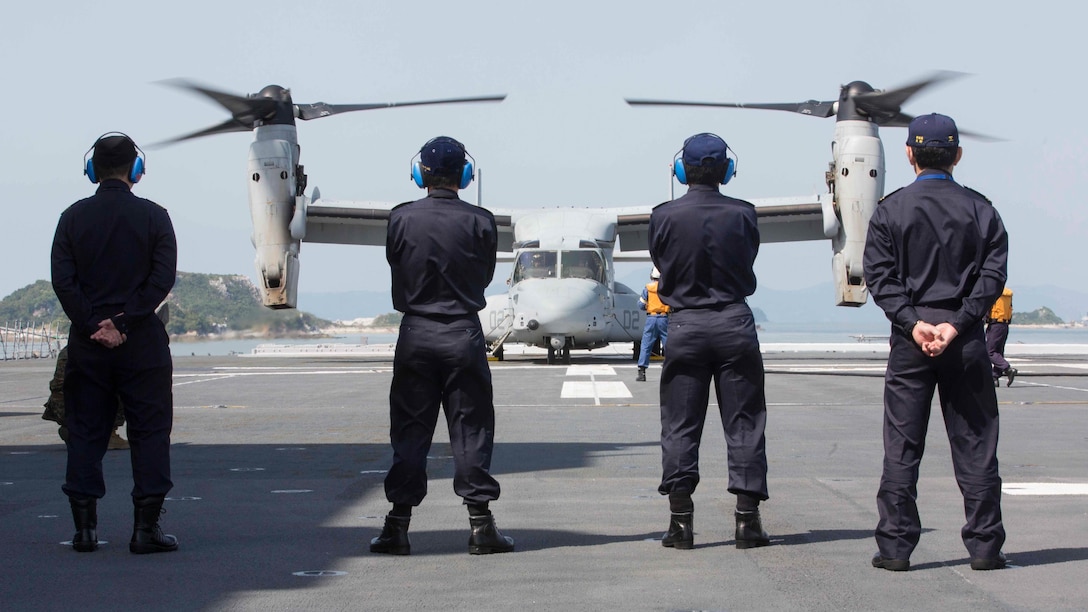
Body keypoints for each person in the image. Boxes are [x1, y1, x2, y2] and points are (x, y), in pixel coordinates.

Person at [863, 113, 1008, 572]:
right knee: (976, 444)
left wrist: (912, 323)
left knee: (902, 445)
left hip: (912, 340)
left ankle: (895, 548)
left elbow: (879, 278)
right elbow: (992, 275)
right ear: (957, 155)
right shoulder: (981, 210)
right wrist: (959, 323)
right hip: (964, 340)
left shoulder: (890, 210)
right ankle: (985, 549)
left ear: (909, 154)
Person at [369, 136, 514, 556]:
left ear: (421, 175)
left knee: (410, 432)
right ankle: (480, 526)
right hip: (462, 333)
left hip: (415, 332)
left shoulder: (400, 219)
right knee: (471, 430)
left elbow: (396, 264)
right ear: (465, 176)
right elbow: (484, 276)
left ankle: (397, 526)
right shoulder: (481, 221)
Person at [51, 132, 178, 554]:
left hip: (88, 345)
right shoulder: (156, 217)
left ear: (92, 170)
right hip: (141, 341)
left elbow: (63, 281)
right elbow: (161, 279)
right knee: (150, 432)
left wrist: (93, 324)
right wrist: (124, 321)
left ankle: (84, 530)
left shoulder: (71, 218)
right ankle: (145, 530)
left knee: (86, 432)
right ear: (136, 170)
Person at [648, 133, 771, 550]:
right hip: (734, 321)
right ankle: (746, 522)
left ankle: (680, 524)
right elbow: (748, 256)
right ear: (727, 170)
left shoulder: (663, 216)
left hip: (685, 324)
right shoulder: (744, 214)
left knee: (681, 425)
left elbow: (661, 260)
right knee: (745, 423)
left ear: (681, 170)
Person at [42, 346, 128, 449]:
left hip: (62, 409)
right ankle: (108, 435)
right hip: (82, 406)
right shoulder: (106, 348)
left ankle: (75, 430)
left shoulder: (72, 346)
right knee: (128, 386)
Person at [636, 267, 669, 382]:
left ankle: (642, 372)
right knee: (669, 345)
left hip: (651, 318)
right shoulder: (666, 288)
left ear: (652, 276)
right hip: (665, 318)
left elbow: (640, 305)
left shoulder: (648, 288)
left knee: (646, 345)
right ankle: (670, 369)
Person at [987, 287, 1017, 387]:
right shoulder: (1008, 294)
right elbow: (1010, 308)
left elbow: (986, 307)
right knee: (998, 351)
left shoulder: (994, 291)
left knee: (989, 352)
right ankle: (995, 377)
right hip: (1005, 325)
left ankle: (1008, 369)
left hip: (995, 324)